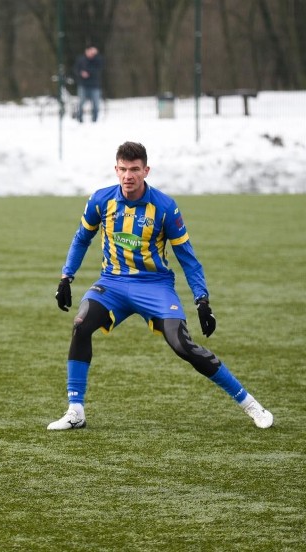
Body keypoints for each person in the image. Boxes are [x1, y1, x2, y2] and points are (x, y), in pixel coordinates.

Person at [49, 141, 273, 430]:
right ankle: (75, 410)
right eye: (123, 169)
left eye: (134, 169)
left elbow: (187, 257)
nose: (128, 176)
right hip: (112, 283)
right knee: (81, 325)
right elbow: (82, 238)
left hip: (154, 286)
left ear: (146, 170)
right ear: (116, 170)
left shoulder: (165, 207)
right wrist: (66, 276)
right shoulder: (101, 200)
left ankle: (251, 405)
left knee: (182, 345)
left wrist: (202, 300)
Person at [73, 45, 104, 123]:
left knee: (96, 104)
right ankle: (79, 118)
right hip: (83, 85)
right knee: (81, 103)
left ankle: (95, 119)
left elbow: (99, 68)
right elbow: (76, 70)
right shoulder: (81, 60)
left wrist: (96, 56)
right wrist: (81, 73)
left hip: (95, 86)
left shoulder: (97, 60)